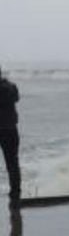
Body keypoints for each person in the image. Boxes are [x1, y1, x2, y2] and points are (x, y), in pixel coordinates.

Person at [0, 69, 18, 208]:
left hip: (6, 129)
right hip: (10, 129)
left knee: (12, 163)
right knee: (12, 163)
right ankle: (15, 194)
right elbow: (16, 98)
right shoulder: (11, 87)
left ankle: (15, 193)